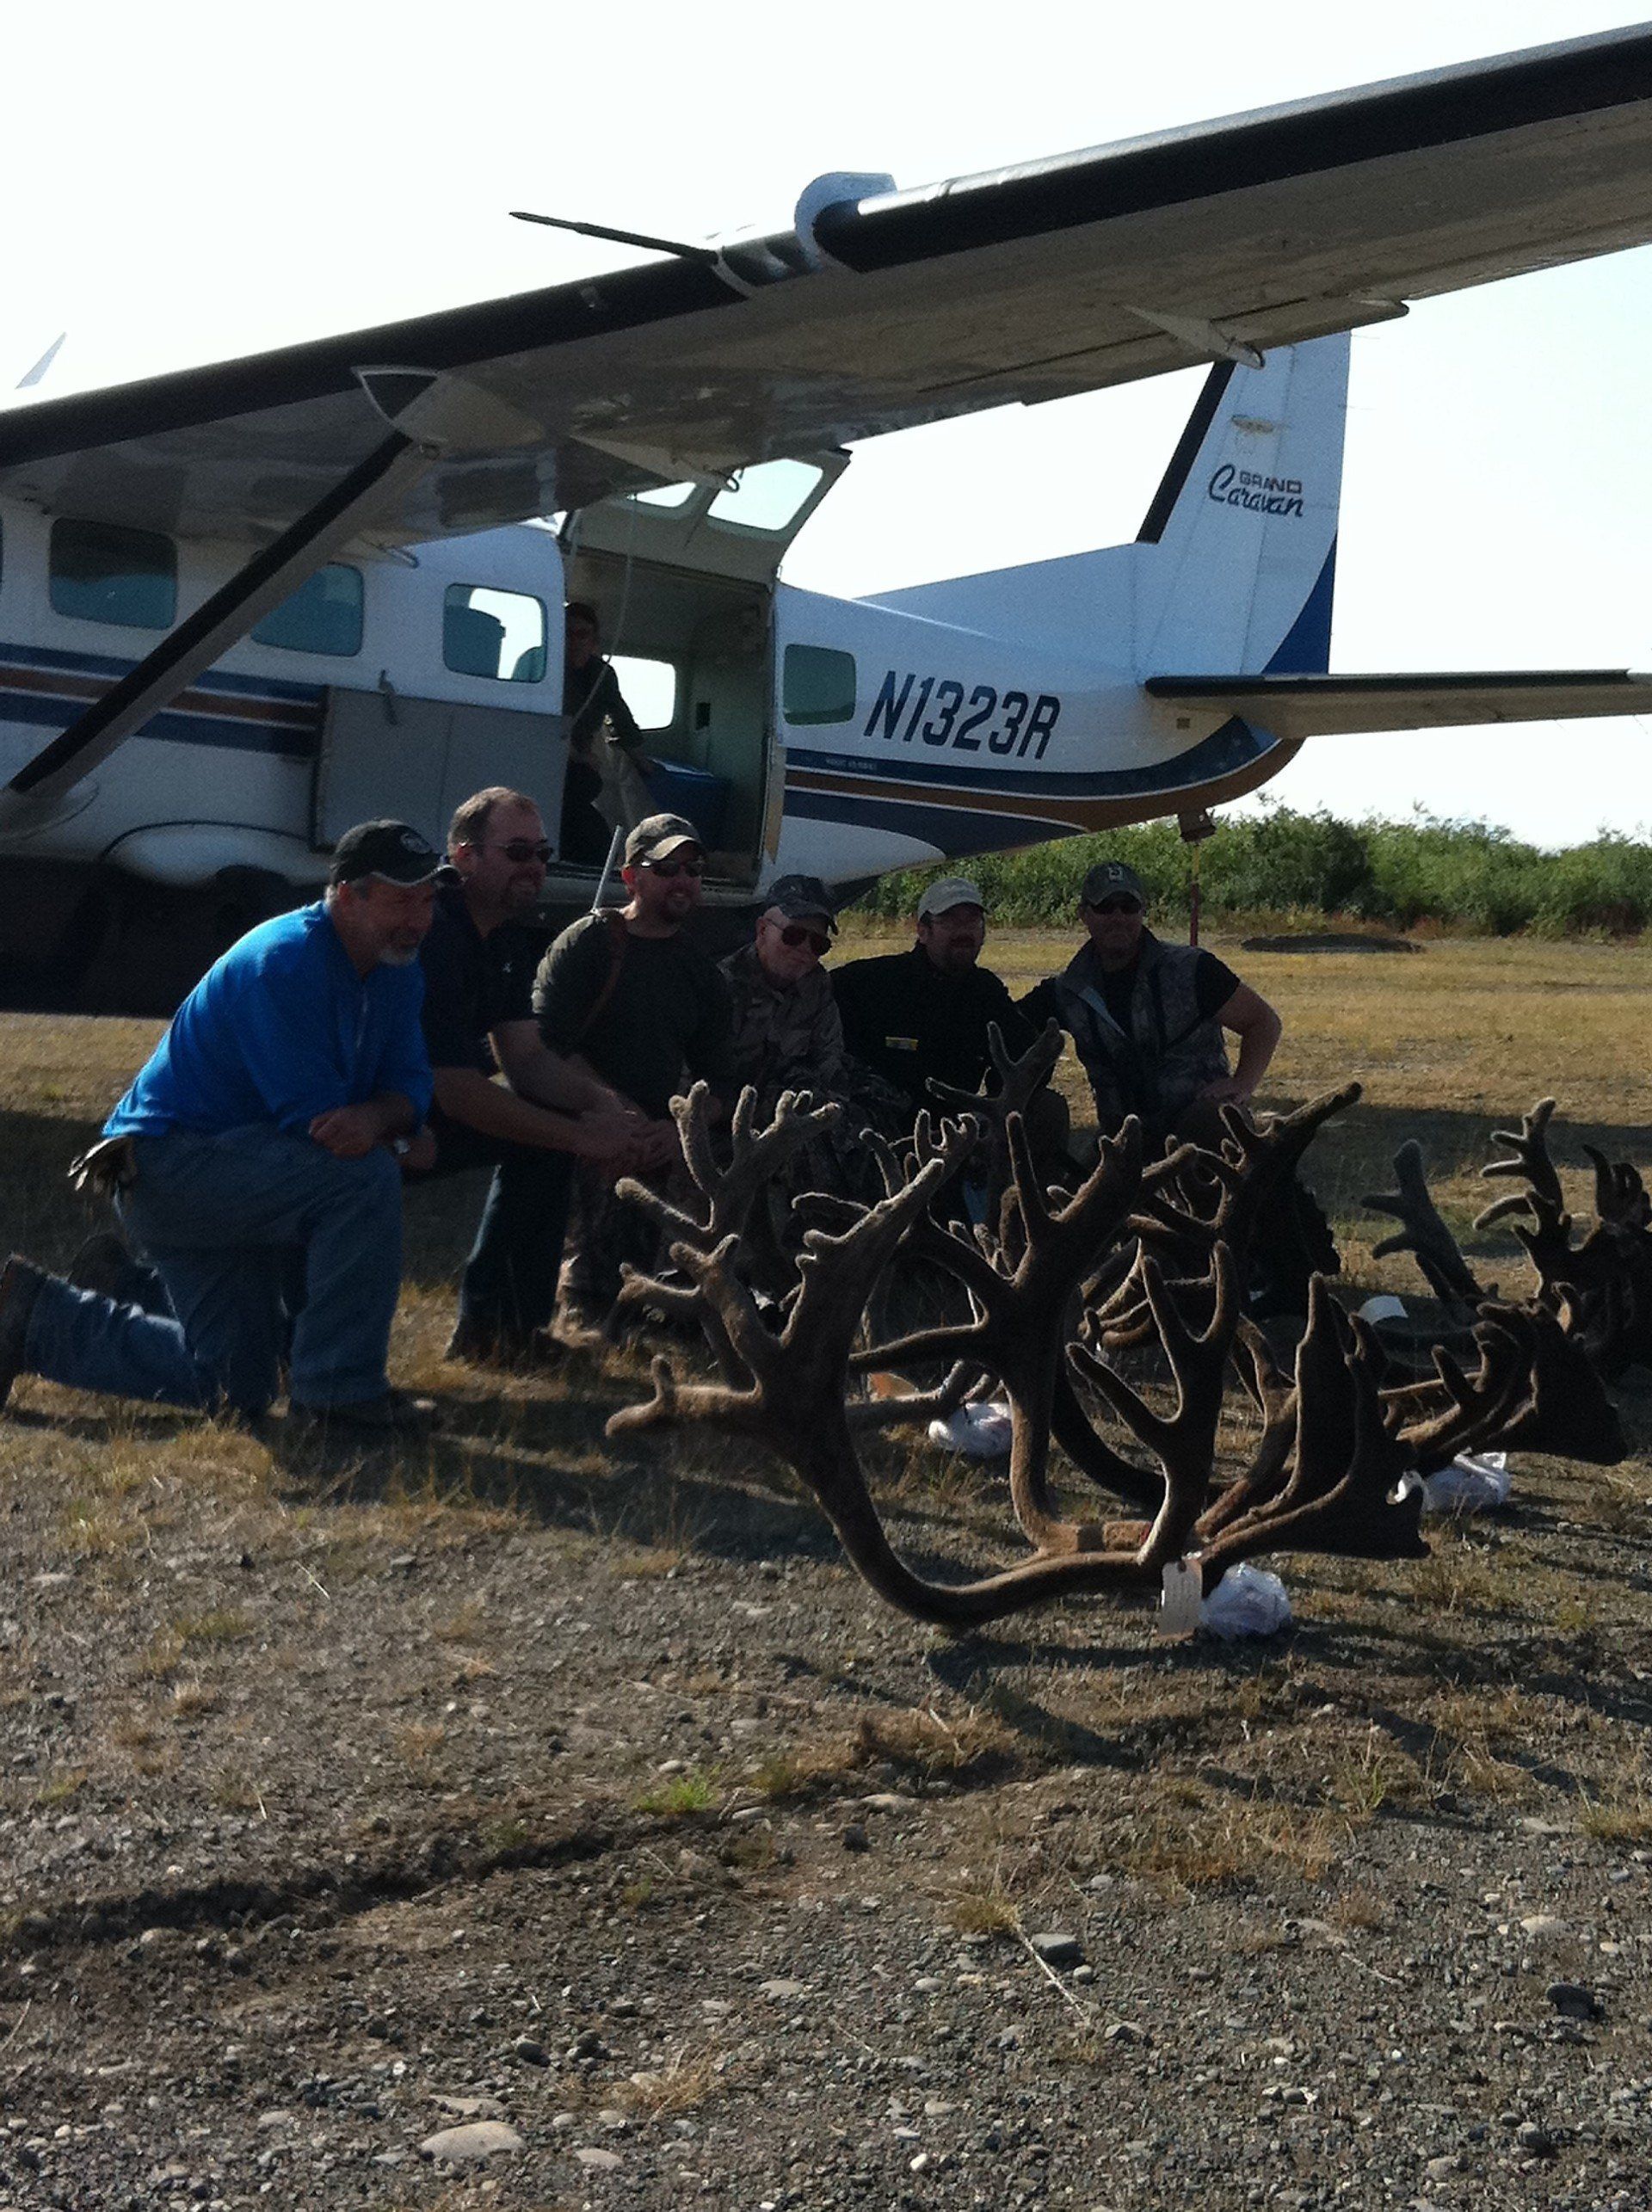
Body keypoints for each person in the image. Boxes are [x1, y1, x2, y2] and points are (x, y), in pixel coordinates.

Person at [0, 821, 448, 1434]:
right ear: (348, 895)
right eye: (402, 898)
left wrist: (379, 1118)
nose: (418, 918)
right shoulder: (285, 961)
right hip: (170, 1167)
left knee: (235, 1384)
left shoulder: (398, 968)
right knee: (361, 1179)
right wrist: (388, 1130)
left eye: (427, 899)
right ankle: (338, 1395)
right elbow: (319, 1126)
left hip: (236, 1169)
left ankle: (37, 1315)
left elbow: (409, 1086)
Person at [413, 786, 649, 1368]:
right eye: (517, 852)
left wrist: (605, 1106)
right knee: (550, 1138)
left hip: (419, 1102)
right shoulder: (432, 929)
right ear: (463, 856)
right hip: (364, 1109)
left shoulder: (506, 936)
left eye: (542, 853)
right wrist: (581, 1135)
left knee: (545, 1141)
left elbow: (526, 1058)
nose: (536, 867)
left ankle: (501, 1330)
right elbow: (459, 1091)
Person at [533, 813, 736, 1334]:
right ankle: (578, 1300)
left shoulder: (700, 971)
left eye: (693, 869)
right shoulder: (587, 944)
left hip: (653, 1135)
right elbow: (545, 1046)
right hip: (575, 1120)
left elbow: (722, 1082)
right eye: (668, 868)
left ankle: (650, 1296)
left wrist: (677, 1133)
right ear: (631, 877)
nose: (684, 881)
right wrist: (610, 1112)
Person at [1020, 860, 1280, 1149]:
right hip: (1123, 1138)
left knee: (1216, 1122)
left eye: (1128, 906)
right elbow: (1006, 1024)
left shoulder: (1193, 969)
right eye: (1105, 907)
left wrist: (1242, 1083)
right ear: (1084, 914)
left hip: (1195, 1125)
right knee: (1071, 1186)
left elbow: (1263, 1022)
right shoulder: (1067, 990)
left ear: (1143, 911)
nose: (1118, 917)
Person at [833, 876, 1043, 1111]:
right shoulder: (871, 982)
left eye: (973, 922)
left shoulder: (986, 992)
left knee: (1046, 1108)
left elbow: (1027, 1055)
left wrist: (995, 1104)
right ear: (923, 932)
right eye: (949, 922)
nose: (963, 932)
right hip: (880, 1127)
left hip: (955, 1133)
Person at [720, 875, 848, 1110]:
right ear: (762, 930)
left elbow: (828, 1060)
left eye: (819, 944)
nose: (804, 950)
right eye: (793, 936)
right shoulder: (722, 985)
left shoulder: (816, 985)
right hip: (723, 1112)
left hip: (787, 1112)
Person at [558, 601, 650, 865]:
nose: (574, 642)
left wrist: (643, 763)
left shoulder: (601, 675)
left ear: (594, 641)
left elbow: (621, 720)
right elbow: (534, 721)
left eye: (582, 635)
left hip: (578, 771)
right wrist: (576, 756)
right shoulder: (541, 663)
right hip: (547, 762)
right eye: (567, 633)